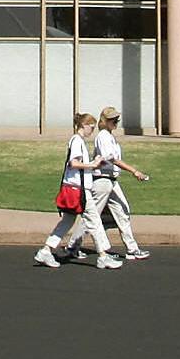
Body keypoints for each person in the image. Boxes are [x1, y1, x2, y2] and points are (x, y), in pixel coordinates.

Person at [35, 113, 121, 270]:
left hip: (75, 188)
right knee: (94, 221)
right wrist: (93, 165)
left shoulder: (77, 141)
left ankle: (46, 250)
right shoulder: (77, 141)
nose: (92, 131)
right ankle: (103, 256)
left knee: (68, 221)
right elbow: (73, 163)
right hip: (79, 190)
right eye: (92, 127)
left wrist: (93, 165)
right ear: (85, 125)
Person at [91, 107, 153, 261]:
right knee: (91, 216)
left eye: (117, 119)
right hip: (102, 181)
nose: (116, 122)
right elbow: (111, 159)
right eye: (113, 120)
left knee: (123, 211)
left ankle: (132, 249)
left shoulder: (110, 137)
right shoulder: (103, 136)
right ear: (105, 121)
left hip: (111, 181)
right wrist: (134, 171)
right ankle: (73, 245)